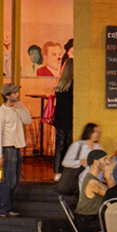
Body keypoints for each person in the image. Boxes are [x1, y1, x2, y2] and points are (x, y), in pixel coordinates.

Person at [0, 83, 32, 217]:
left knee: (14, 179)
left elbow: (27, 120)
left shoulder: (18, 107)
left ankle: (6, 205)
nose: (17, 94)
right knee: (10, 180)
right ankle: (1, 206)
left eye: (17, 92)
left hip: (16, 148)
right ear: (7, 96)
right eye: (14, 93)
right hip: (8, 148)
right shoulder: (1, 113)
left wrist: (19, 108)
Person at [73, 149, 112, 232]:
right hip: (87, 221)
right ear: (96, 162)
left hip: (90, 218)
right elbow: (112, 194)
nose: (108, 162)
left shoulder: (94, 179)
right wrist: (108, 175)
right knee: (114, 225)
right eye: (104, 159)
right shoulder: (92, 182)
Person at [52, 40, 75, 173]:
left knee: (59, 146)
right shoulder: (74, 86)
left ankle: (57, 172)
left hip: (59, 120)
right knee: (70, 145)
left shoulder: (59, 86)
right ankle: (68, 171)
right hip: (69, 119)